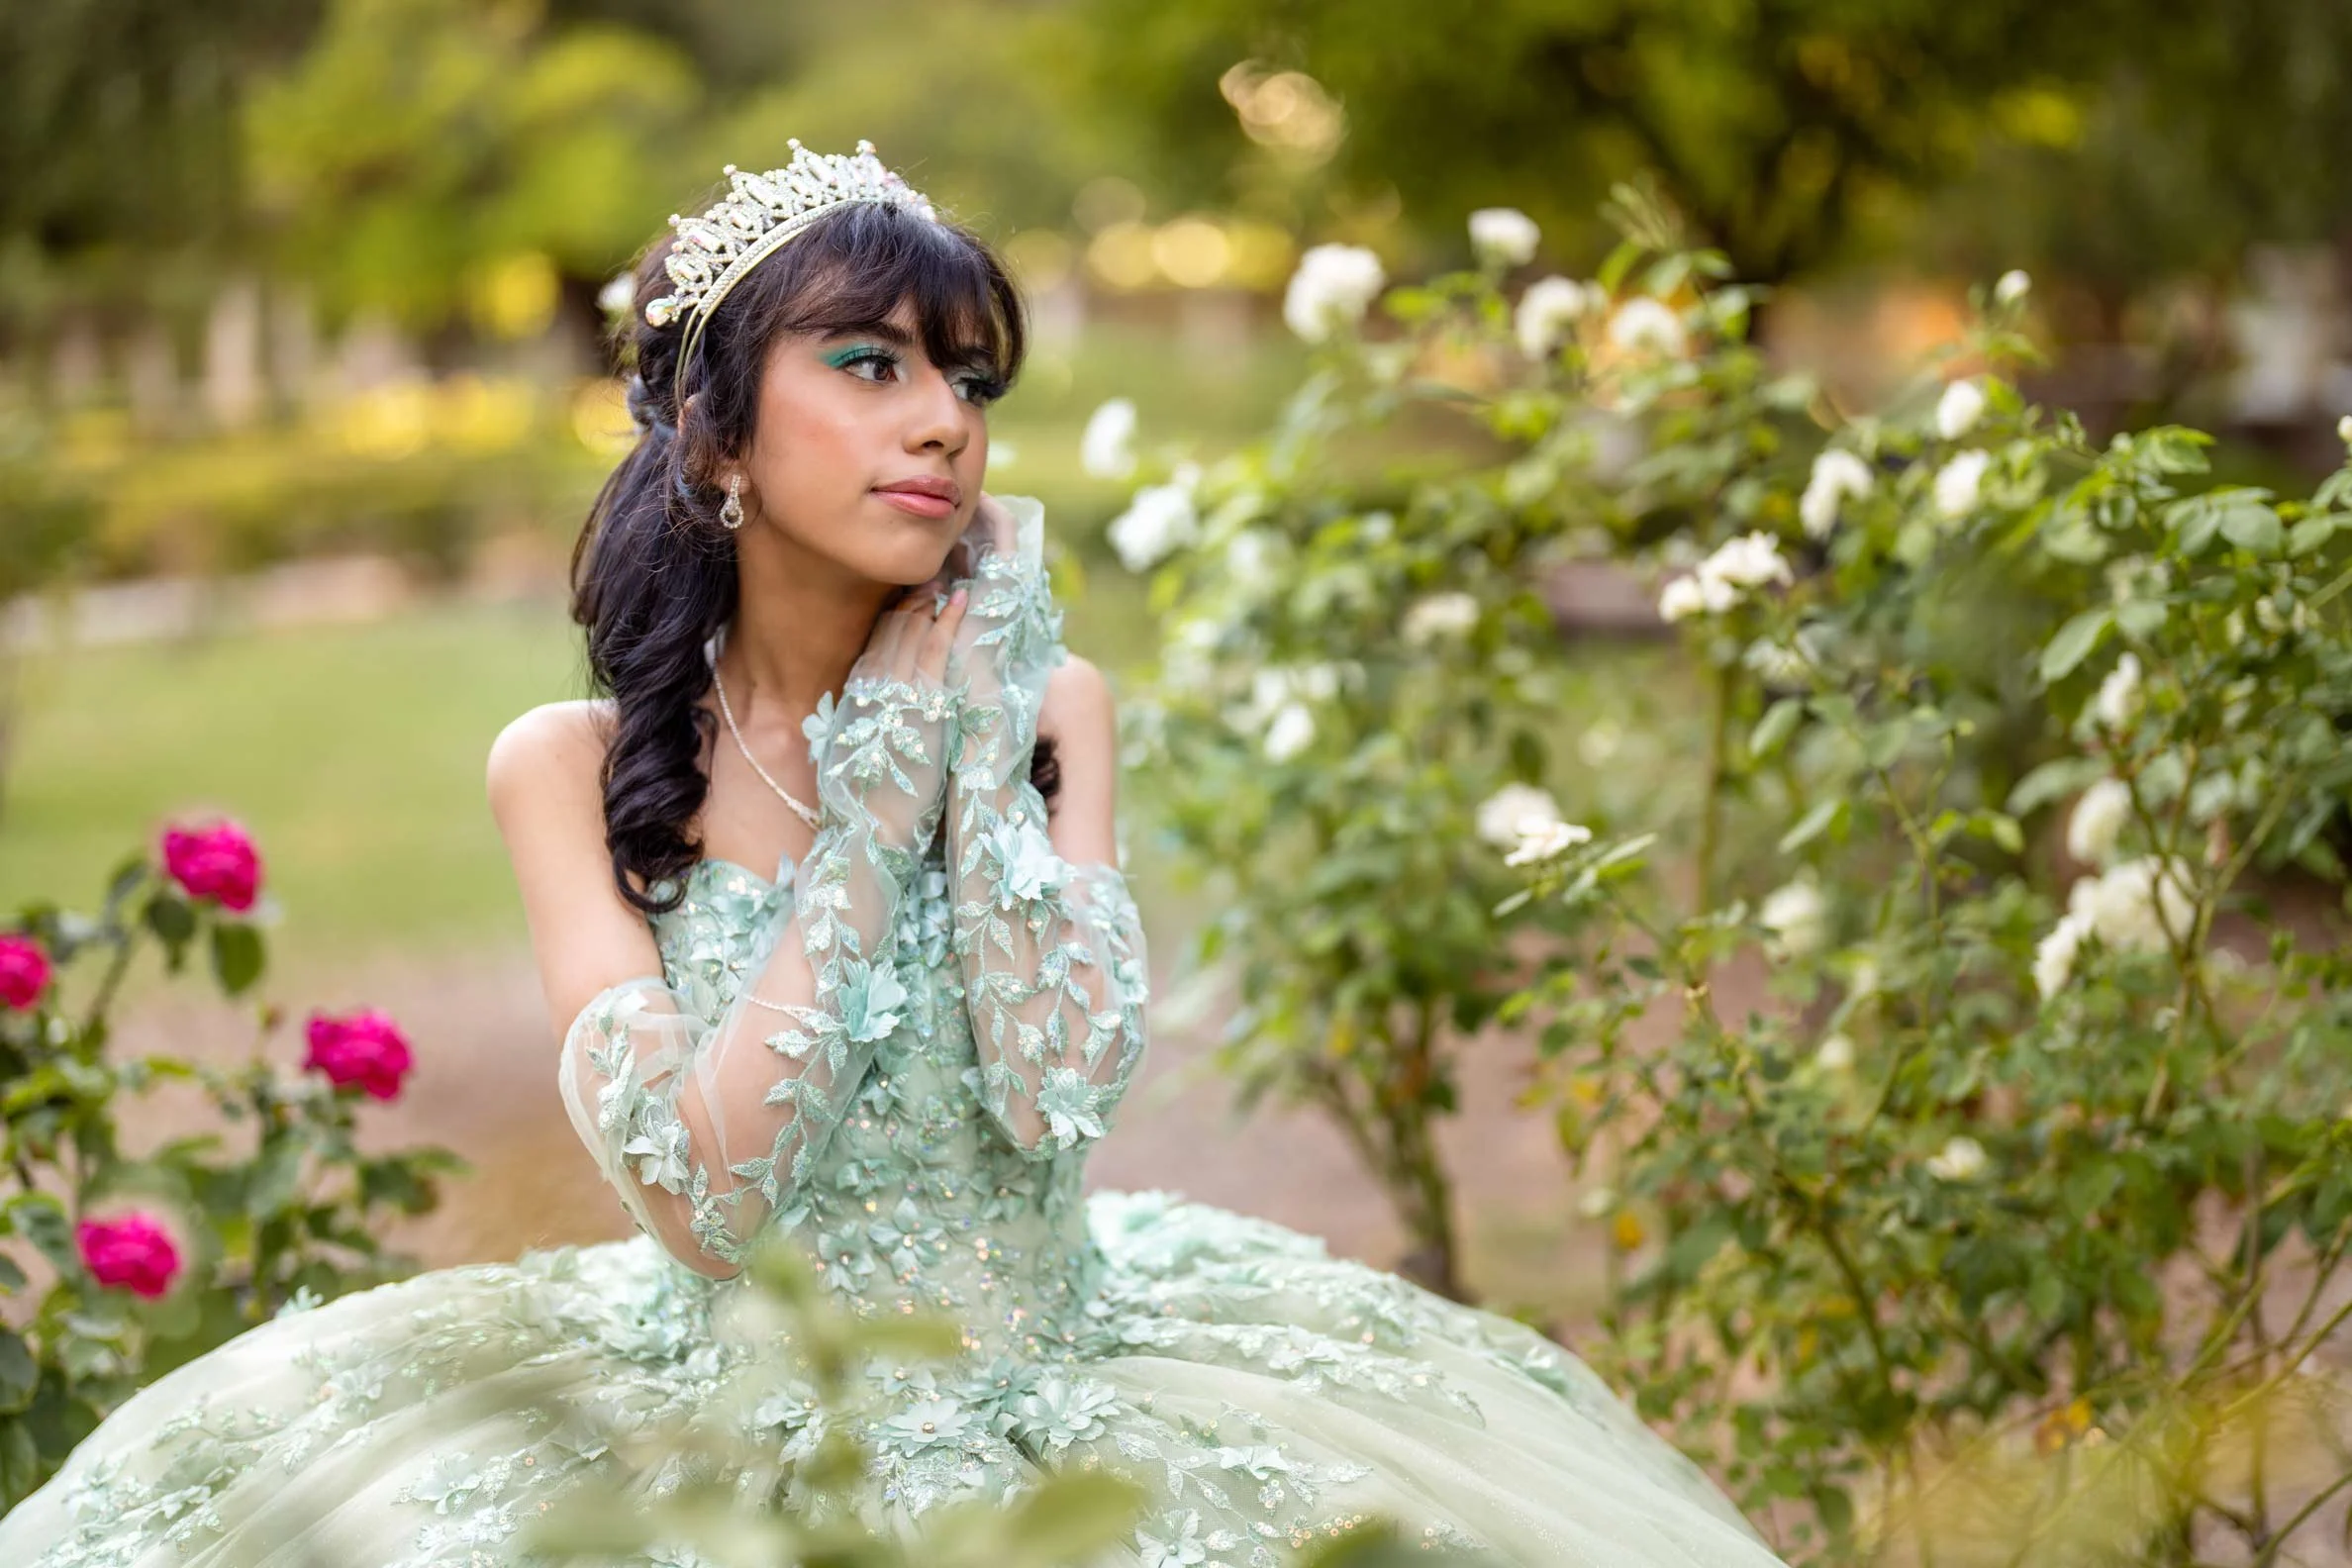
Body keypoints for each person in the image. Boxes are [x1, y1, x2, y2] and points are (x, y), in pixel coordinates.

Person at [0, 143, 1790, 1567]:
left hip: (1062, 1377)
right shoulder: (573, 767)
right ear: (714, 436)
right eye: (867, 363)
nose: (941, 417)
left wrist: (970, 765)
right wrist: (871, 806)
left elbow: (1058, 1088)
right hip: (720, 1411)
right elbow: (706, 1202)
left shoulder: (1055, 703)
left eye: (964, 376)